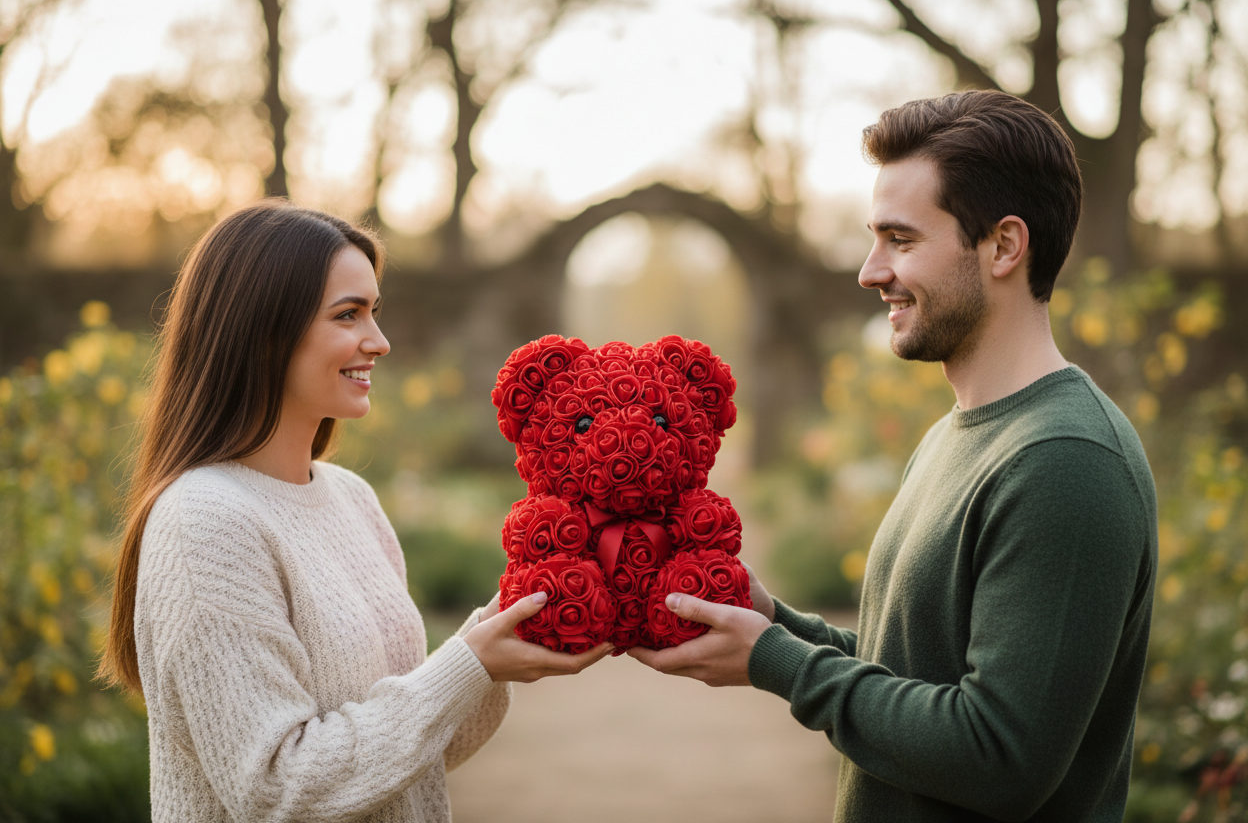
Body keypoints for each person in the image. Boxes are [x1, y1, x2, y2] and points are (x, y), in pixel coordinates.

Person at [630, 90, 1158, 822]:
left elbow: (999, 757)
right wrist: (773, 622)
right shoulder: (956, 434)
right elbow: (913, 670)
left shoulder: (1066, 461)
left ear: (1004, 247)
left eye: (900, 240)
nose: (869, 271)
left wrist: (777, 663)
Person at [98, 201, 612, 823]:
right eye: (348, 314)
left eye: (375, 311)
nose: (380, 342)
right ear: (263, 330)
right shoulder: (205, 522)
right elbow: (277, 788)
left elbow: (409, 758)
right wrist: (469, 662)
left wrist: (504, 631)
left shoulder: (350, 497)